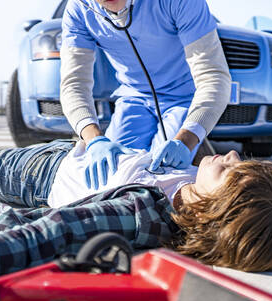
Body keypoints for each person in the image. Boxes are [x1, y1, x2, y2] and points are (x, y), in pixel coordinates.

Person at [0, 140, 272, 301]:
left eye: (229, 171)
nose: (229, 154)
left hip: (47, 172)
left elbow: (49, 235)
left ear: (219, 205)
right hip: (94, 154)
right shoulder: (200, 198)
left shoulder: (138, 214)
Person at [60, 0, 232, 190]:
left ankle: (199, 153)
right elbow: (73, 84)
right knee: (113, 177)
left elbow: (213, 76)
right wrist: (94, 140)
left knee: (163, 177)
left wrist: (187, 138)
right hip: (133, 98)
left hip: (183, 98)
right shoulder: (78, 9)